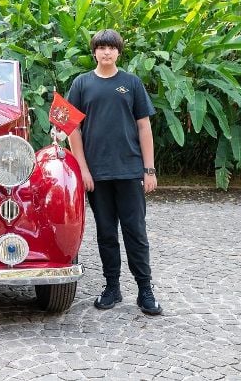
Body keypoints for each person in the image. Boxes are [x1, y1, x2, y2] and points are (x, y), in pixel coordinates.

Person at [66, 29, 163, 315]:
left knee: (136, 232)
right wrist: (83, 170)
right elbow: (72, 129)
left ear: (119, 52)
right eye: (101, 47)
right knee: (106, 233)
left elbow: (144, 126)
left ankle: (145, 291)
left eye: (111, 48)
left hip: (130, 170)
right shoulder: (81, 84)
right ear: (94, 51)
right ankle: (112, 287)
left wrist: (149, 169)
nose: (106, 52)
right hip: (97, 175)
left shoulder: (131, 83)